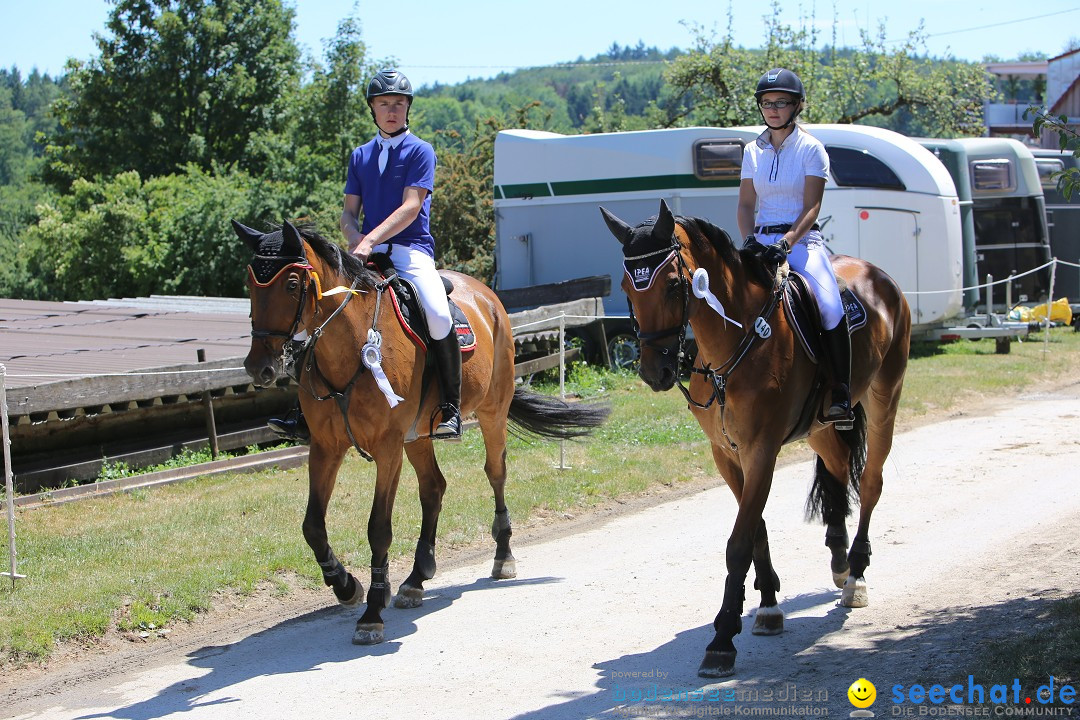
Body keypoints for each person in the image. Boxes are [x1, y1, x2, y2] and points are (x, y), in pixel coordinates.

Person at [269, 68, 462, 442]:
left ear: (408, 108)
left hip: (409, 251)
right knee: (314, 309)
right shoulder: (360, 156)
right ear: (373, 110)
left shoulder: (421, 151)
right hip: (364, 252)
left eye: (399, 104)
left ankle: (450, 409)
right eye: (384, 104)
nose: (392, 110)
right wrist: (354, 235)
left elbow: (410, 207)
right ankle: (304, 412)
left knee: (438, 314)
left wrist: (369, 239)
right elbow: (347, 212)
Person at [736, 68, 853, 426]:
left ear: (797, 105)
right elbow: (744, 206)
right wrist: (750, 242)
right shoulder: (752, 151)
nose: (772, 109)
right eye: (766, 103)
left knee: (830, 306)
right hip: (760, 241)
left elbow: (812, 206)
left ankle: (840, 392)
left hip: (802, 241)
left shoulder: (811, 149)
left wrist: (787, 243)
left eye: (781, 102)